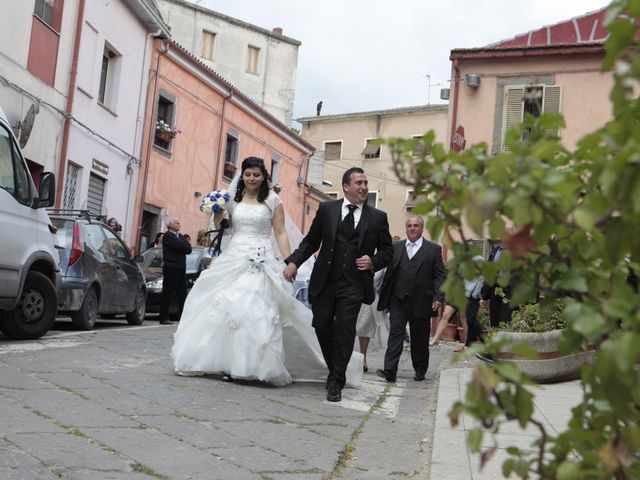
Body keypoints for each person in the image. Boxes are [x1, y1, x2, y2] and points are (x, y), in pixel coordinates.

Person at [172, 157, 364, 388]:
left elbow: (280, 233)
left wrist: (288, 262)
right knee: (226, 307)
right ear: (242, 176)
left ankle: (251, 365)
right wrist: (217, 211)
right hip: (235, 256)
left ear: (264, 177)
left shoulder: (274, 200)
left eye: (256, 174)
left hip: (260, 257)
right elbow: (227, 226)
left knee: (253, 308)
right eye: (248, 174)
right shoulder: (232, 199)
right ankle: (225, 362)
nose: (252, 179)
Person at [284, 167, 394, 402]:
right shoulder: (327, 210)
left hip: (354, 284)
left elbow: (387, 251)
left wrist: (373, 261)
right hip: (326, 280)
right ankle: (335, 367)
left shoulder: (377, 217)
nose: (364, 187)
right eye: (359, 183)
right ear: (346, 187)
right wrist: (294, 262)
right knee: (322, 325)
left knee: (345, 330)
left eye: (365, 182)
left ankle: (336, 380)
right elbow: (312, 241)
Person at [376, 214, 446, 382]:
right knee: (395, 335)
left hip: (422, 302)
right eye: (410, 226)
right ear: (406, 228)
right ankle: (390, 370)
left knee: (420, 338)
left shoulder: (433, 249)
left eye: (416, 226)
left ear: (421, 228)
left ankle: (420, 369)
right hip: (398, 300)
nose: (412, 228)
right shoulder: (396, 247)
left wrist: (438, 297)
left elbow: (440, 276)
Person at [430, 255, 486, 350]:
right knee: (445, 315)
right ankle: (435, 339)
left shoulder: (476, 262)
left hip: (466, 296)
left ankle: (466, 344)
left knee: (464, 318)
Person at [159, 218, 192, 325]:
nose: (179, 224)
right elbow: (181, 246)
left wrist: (183, 244)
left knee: (182, 293)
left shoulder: (180, 236)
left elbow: (188, 249)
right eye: (177, 223)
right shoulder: (168, 235)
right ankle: (163, 317)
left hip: (181, 267)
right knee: (168, 292)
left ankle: (181, 315)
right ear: (170, 225)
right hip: (171, 267)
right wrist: (183, 245)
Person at [481, 244, 513, 327]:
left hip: (508, 290)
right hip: (494, 290)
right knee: (494, 320)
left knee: (505, 320)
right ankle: (494, 338)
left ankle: (503, 339)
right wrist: (484, 295)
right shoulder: (495, 250)